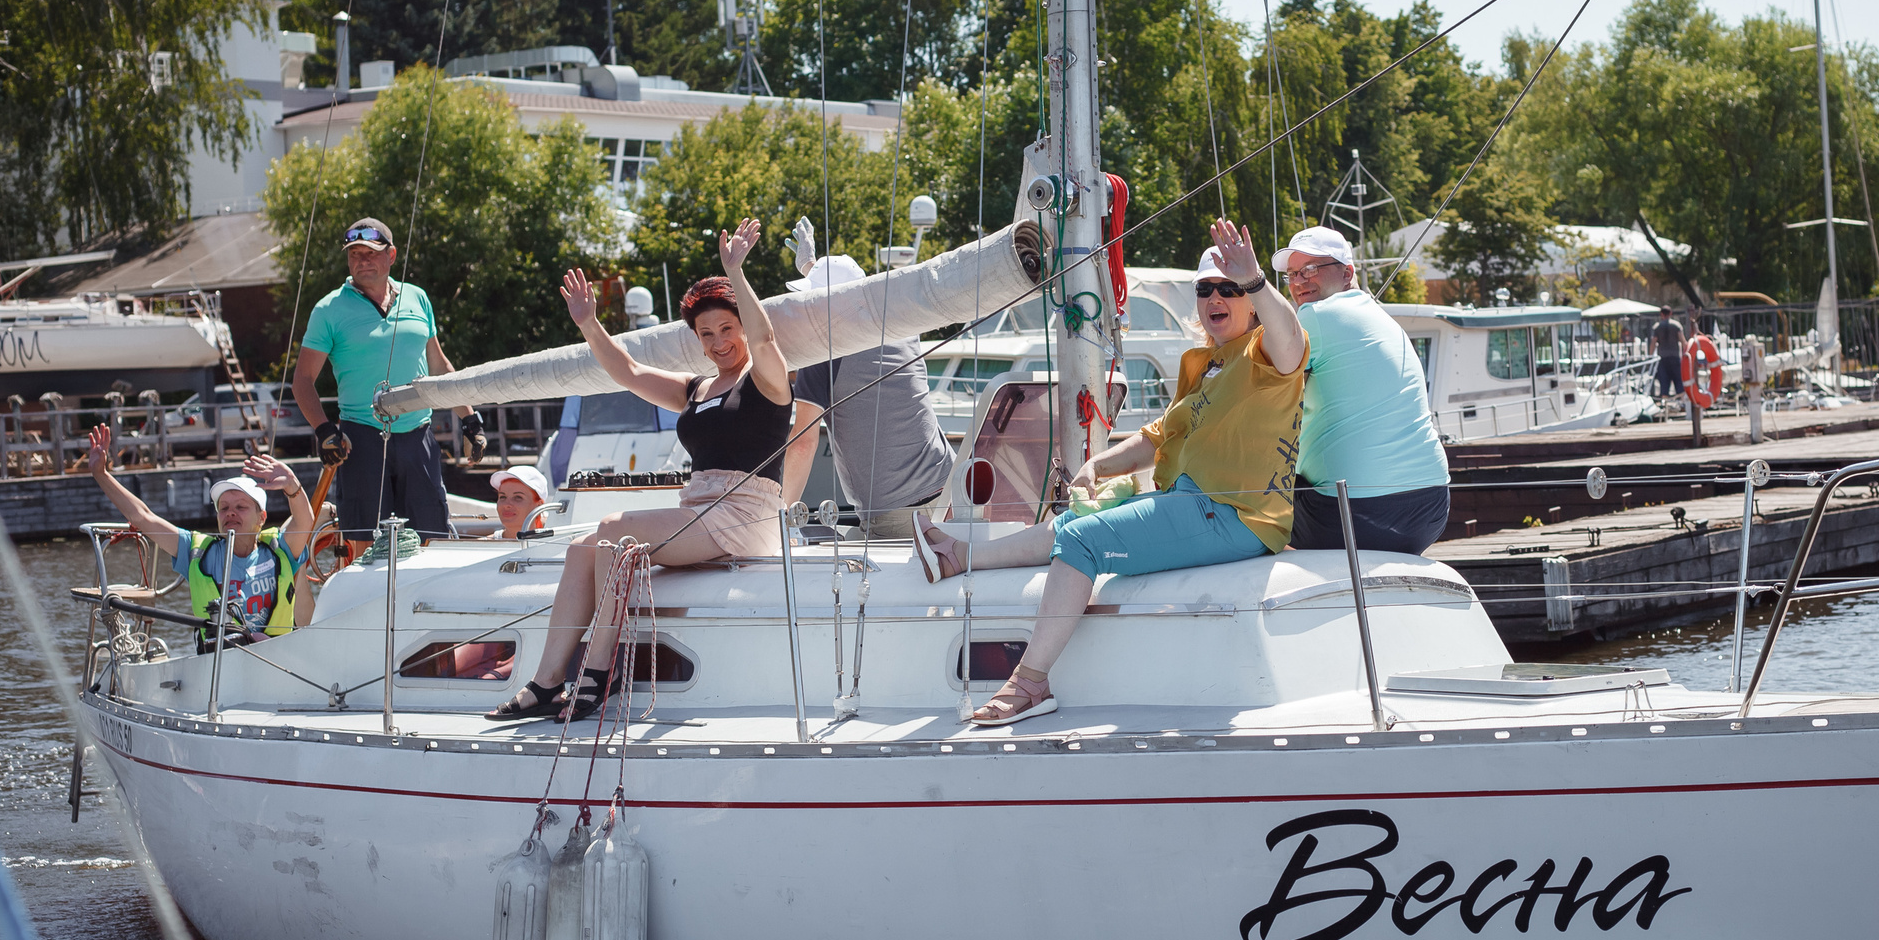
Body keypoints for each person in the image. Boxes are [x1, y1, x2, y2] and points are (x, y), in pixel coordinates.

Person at [912, 220, 1308, 727]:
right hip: (1193, 503)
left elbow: (1291, 336)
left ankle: (1031, 682)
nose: (1216, 296)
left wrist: (1255, 278)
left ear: (1250, 301)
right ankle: (959, 557)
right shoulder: (1206, 363)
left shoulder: (1269, 354)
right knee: (1069, 527)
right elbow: (1159, 436)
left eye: (1229, 289)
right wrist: (1098, 465)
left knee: (1084, 542)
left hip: (1237, 513)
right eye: (1206, 288)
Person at [487, 218, 795, 722]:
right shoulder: (695, 390)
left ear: (741, 327)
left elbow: (766, 340)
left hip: (745, 514)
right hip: (697, 511)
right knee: (580, 547)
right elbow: (627, 372)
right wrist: (588, 322)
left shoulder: (767, 381)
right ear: (696, 339)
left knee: (612, 529)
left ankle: (599, 669)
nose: (719, 342)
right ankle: (546, 681)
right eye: (707, 333)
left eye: (727, 329)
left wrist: (736, 272)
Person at [1273, 226, 1451, 555]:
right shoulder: (1382, 319)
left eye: (1311, 269)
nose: (1298, 282)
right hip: (1431, 510)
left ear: (1347, 273)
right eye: (1292, 274)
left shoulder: (1316, 316)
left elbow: (1262, 390)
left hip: (1354, 516)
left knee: (1253, 498)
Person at [291, 217, 456, 543]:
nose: (362, 261)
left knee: (432, 539)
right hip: (360, 439)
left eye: (371, 253)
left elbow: (439, 364)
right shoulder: (329, 309)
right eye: (355, 255)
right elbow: (303, 380)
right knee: (365, 542)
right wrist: (324, 431)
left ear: (391, 255)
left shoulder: (418, 298)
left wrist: (471, 419)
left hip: (418, 436)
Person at [83, 425, 318, 646]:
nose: (231, 513)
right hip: (219, 663)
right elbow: (143, 517)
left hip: (276, 657)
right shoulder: (197, 551)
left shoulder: (279, 550)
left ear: (262, 518)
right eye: (223, 508)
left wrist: (292, 485)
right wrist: (101, 474)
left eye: (241, 507)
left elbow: (305, 520)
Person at [779, 253, 953, 538]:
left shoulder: (823, 350)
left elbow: (803, 443)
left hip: (895, 514)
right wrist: (813, 269)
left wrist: (783, 519)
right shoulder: (902, 328)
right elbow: (844, 295)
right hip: (951, 491)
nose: (807, 308)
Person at [457, 465, 553, 540]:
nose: (507, 504)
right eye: (503, 497)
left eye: (518, 497)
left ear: (539, 505)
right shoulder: (480, 548)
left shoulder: (557, 545)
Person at [1651, 306, 1685, 398]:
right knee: (1678, 381)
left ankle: (1665, 404)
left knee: (1664, 382)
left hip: (1662, 358)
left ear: (1661, 314)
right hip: (1675, 356)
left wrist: (1650, 356)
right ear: (1671, 313)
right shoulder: (1676, 326)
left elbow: (1653, 342)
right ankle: (1682, 404)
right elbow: (1683, 341)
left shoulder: (1657, 327)